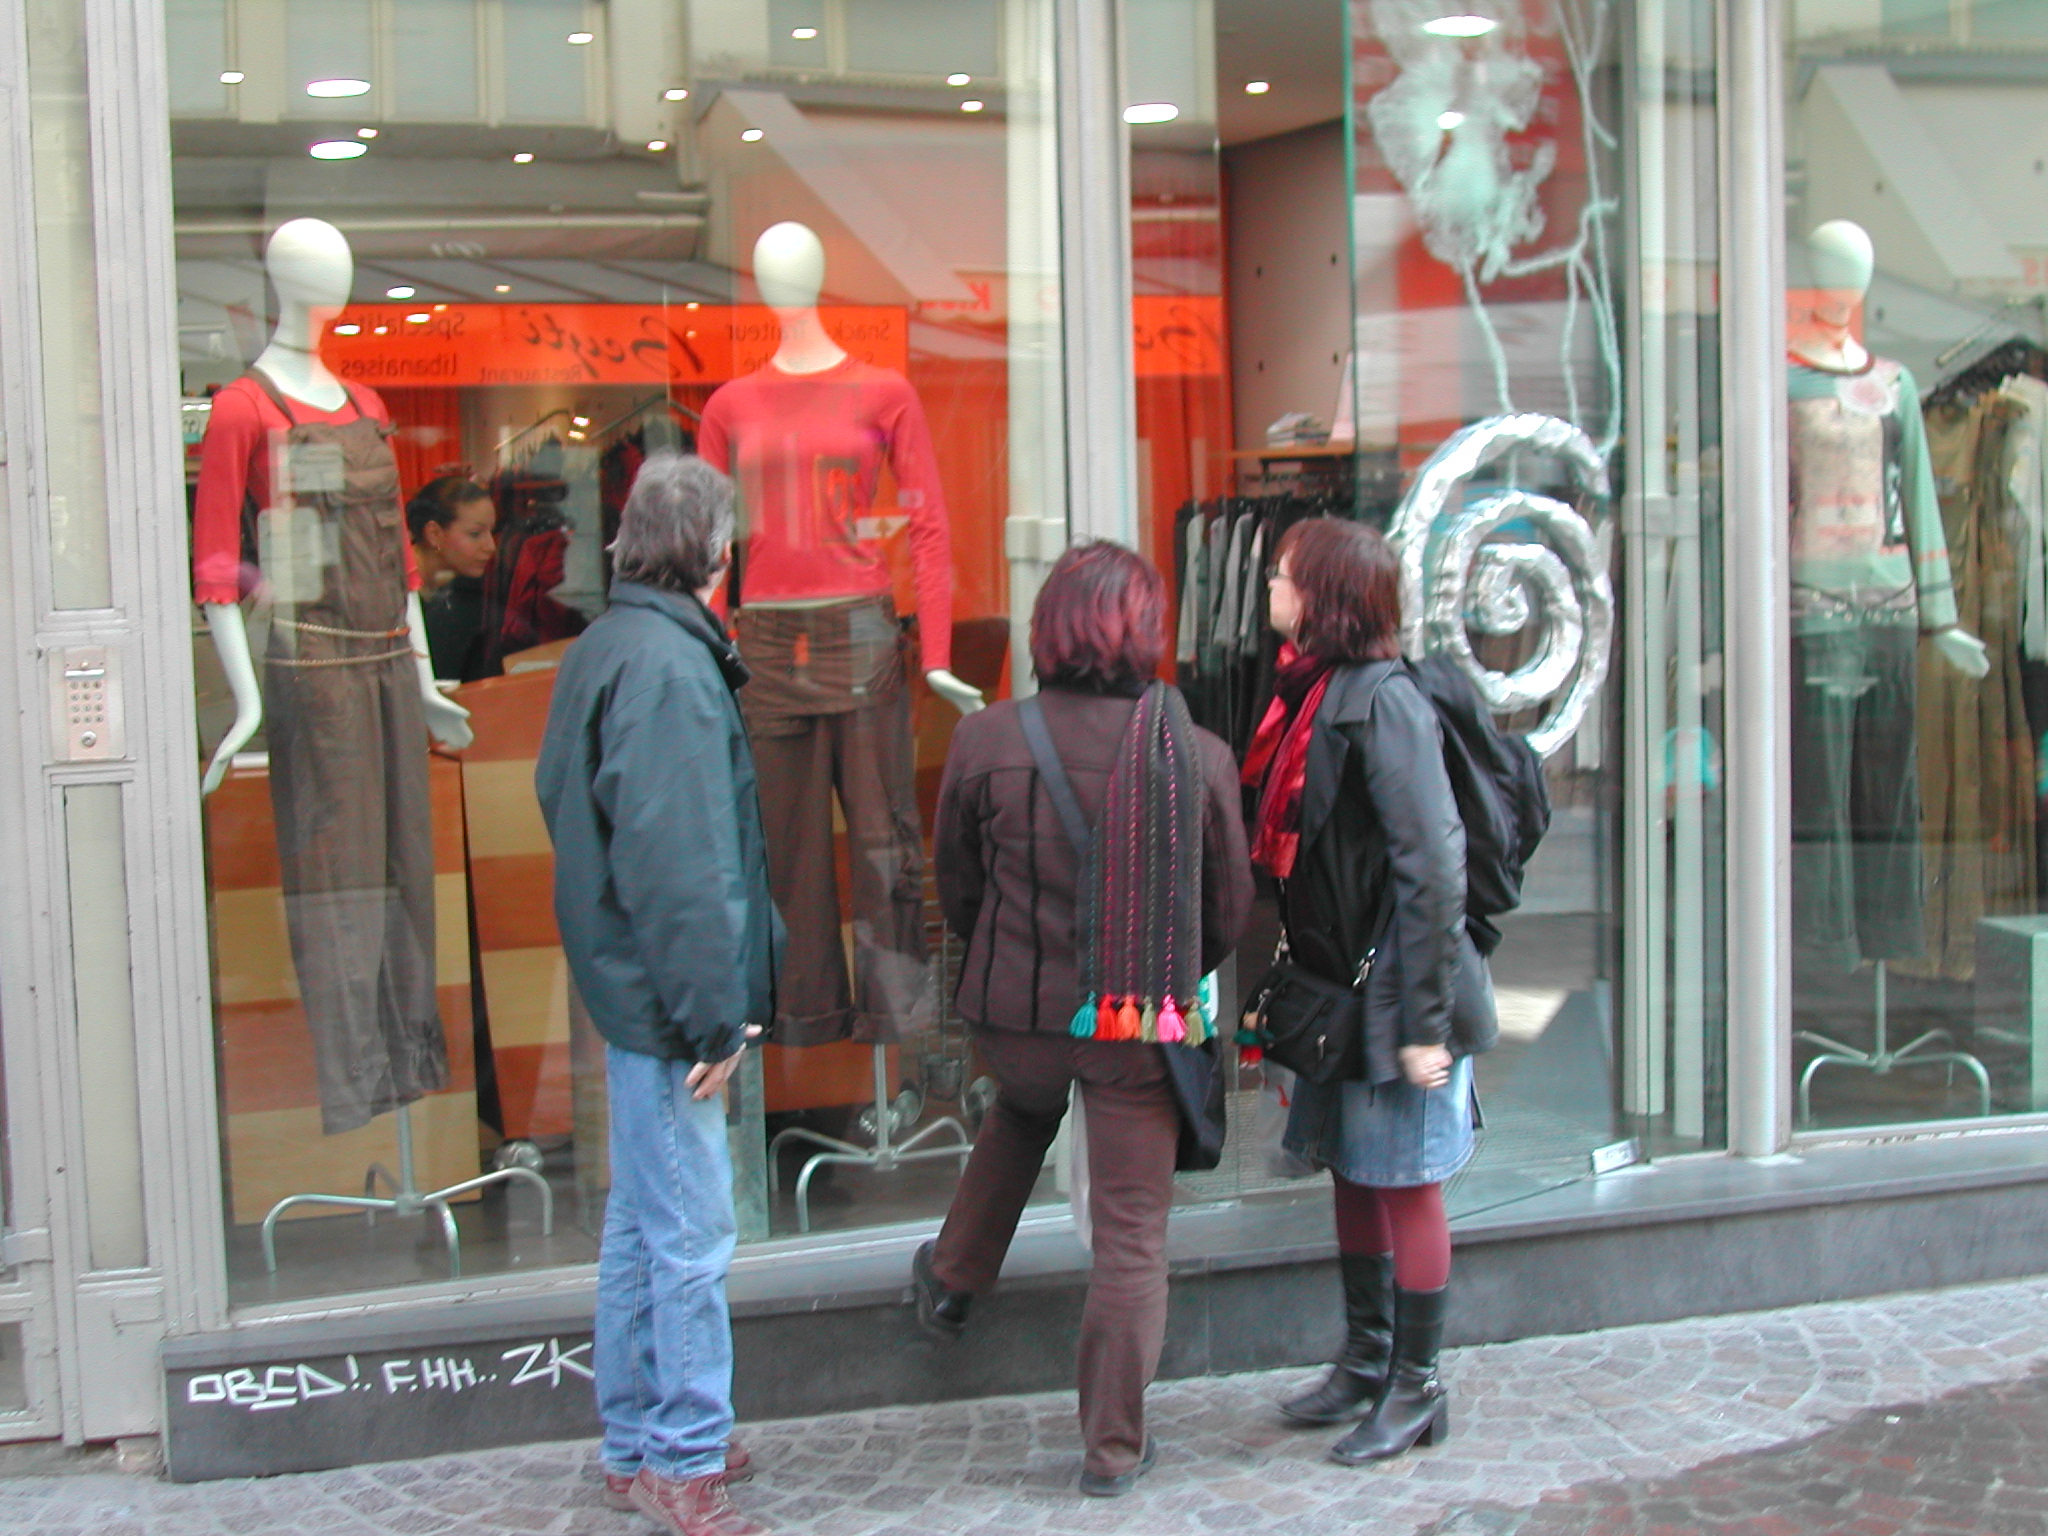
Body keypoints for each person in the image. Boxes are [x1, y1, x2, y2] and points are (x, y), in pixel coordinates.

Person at [913, 541, 1254, 1498]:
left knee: (1023, 1111)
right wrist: (1156, 973)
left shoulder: (986, 741)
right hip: (1136, 1023)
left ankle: (952, 1279)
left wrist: (1006, 960)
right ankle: (1111, 1452)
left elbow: (958, 887)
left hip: (1018, 1018)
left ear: (1048, 629)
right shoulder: (1197, 755)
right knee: (1133, 1234)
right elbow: (1226, 912)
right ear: (1145, 632)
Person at [535, 452, 781, 1536]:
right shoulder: (670, 667)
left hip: (632, 985)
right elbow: (682, 865)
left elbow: (570, 802)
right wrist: (713, 1017)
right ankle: (681, 1457)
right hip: (666, 999)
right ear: (717, 552)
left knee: (641, 1225)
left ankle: (639, 1443)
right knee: (687, 1233)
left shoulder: (609, 644)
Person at [1248, 517, 1494, 1466]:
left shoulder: (1385, 702)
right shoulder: (1312, 689)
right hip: (1341, 981)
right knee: (1354, 1167)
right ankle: (1366, 1359)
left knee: (1407, 1184)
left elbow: (1433, 865)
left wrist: (1425, 1025)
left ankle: (1417, 1389)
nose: (1271, 588)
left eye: (1283, 576)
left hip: (1395, 987)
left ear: (1326, 597)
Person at [407, 476, 499, 681]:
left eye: (491, 532)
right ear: (434, 534)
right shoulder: (391, 596)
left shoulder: (471, 595)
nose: (490, 546)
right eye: (475, 534)